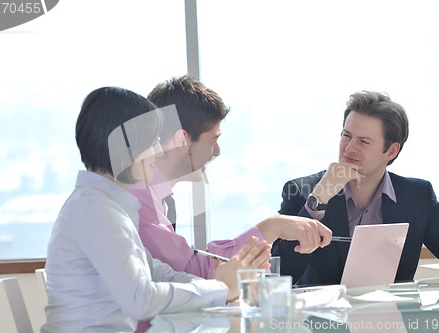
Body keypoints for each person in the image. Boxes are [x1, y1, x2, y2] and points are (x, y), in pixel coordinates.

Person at [41, 86, 272, 333]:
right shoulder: (96, 211)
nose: (159, 151)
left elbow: (160, 273)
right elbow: (140, 299)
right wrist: (220, 287)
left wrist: (219, 285)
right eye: (152, 143)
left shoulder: (106, 206)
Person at [128, 75, 332, 279]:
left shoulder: (156, 195)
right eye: (213, 140)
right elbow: (194, 270)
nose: (217, 151)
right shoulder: (139, 197)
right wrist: (272, 227)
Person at [271, 90, 439, 286]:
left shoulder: (418, 197)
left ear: (391, 151)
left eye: (364, 141)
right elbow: (278, 275)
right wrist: (318, 201)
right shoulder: (302, 191)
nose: (350, 148)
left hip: (394, 319)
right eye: (346, 135)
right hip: (323, 321)